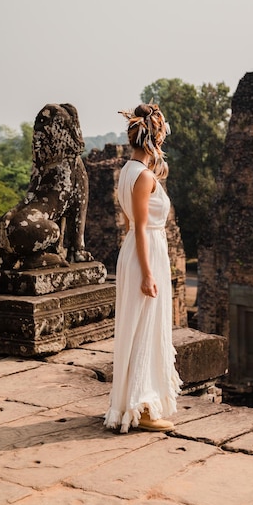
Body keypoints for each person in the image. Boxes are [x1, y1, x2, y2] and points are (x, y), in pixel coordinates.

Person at [104, 103, 182, 433]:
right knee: (144, 329)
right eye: (162, 132)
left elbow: (129, 223)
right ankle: (142, 406)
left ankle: (137, 403)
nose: (164, 137)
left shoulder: (129, 170)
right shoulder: (143, 175)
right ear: (154, 138)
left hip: (144, 251)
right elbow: (136, 226)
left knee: (143, 326)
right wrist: (148, 273)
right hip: (144, 253)